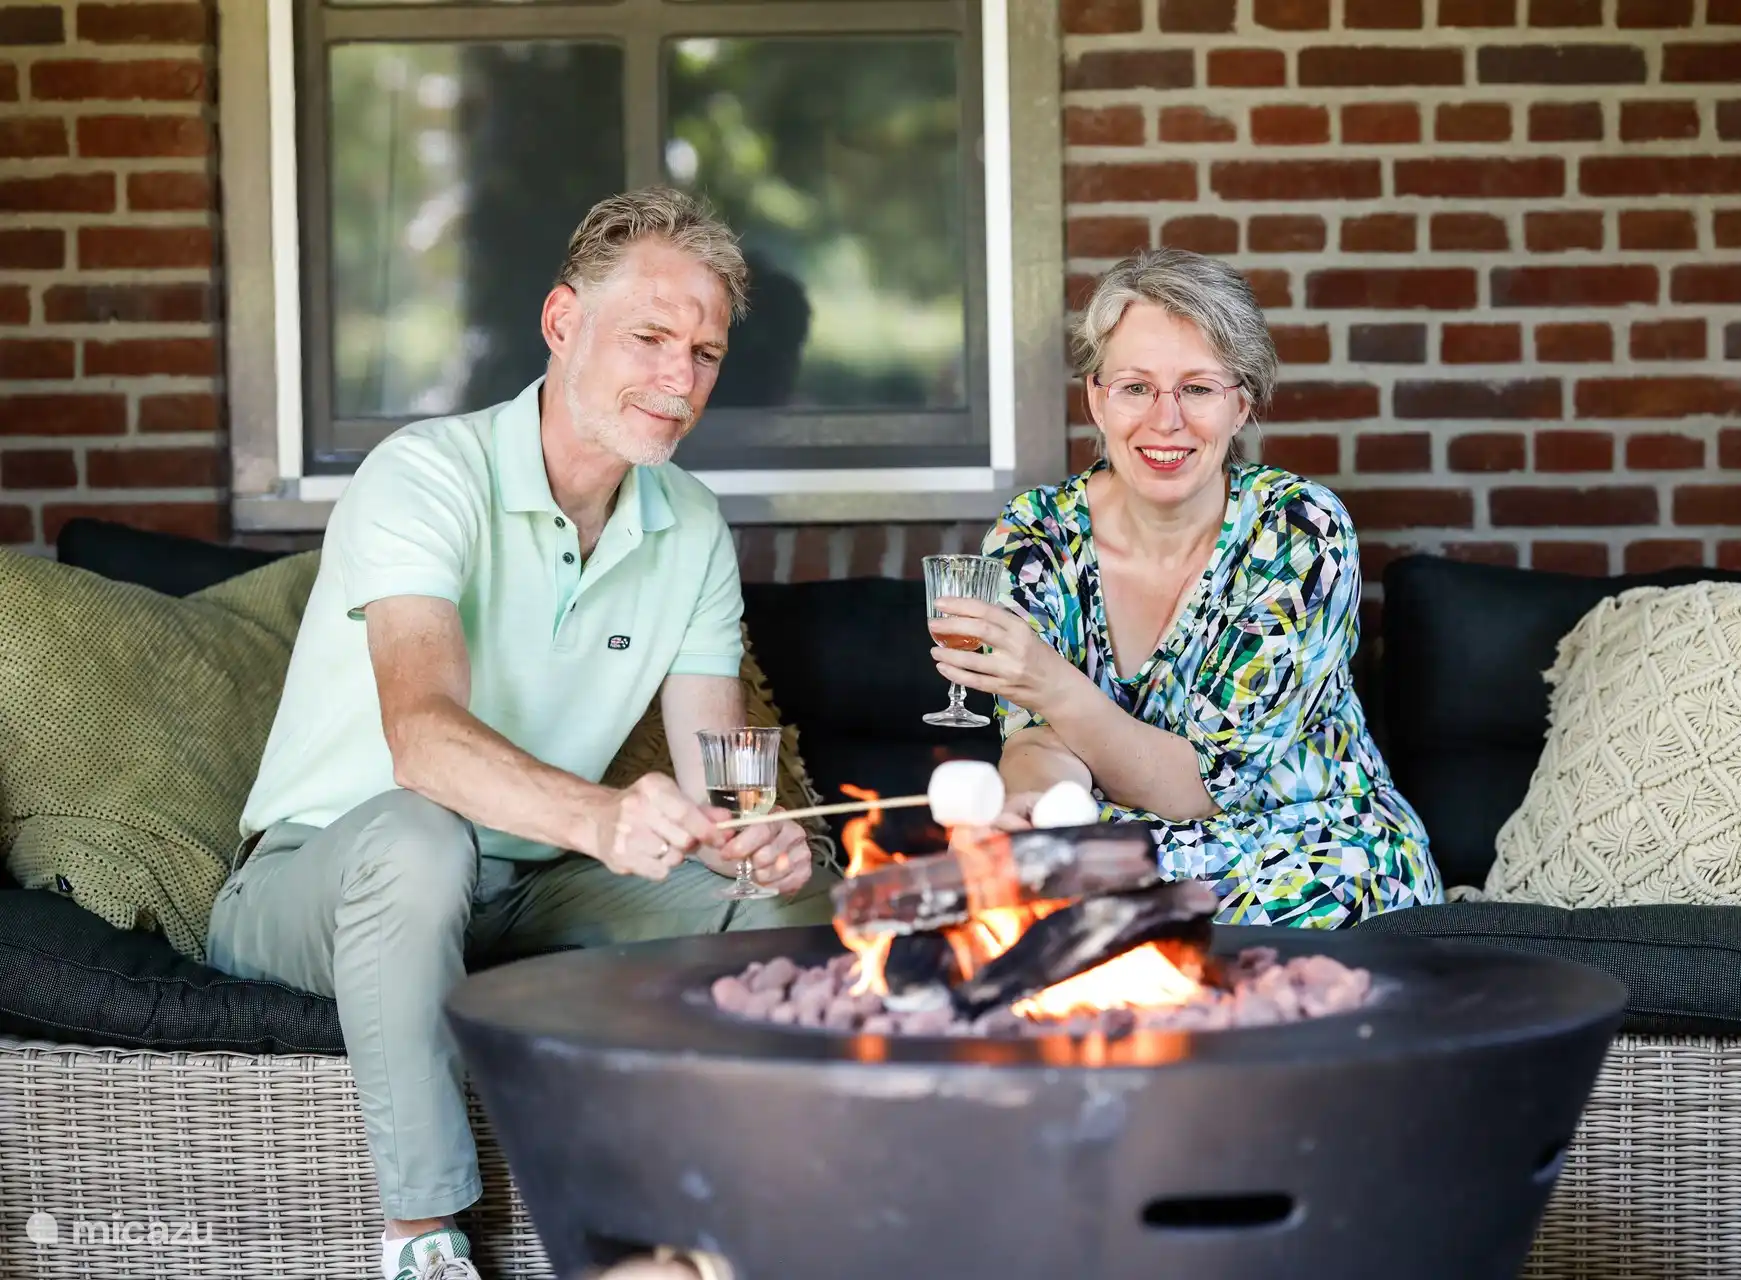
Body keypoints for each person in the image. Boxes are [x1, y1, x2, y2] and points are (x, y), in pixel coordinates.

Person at [207, 187, 832, 1280]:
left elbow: (718, 773)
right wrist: (600, 815)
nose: (679, 381)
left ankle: (709, 1217)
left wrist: (754, 832)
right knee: (420, 836)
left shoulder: (687, 523)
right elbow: (424, 743)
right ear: (560, 322)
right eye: (649, 337)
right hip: (329, 877)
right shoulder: (426, 473)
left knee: (780, 892)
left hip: (530, 886)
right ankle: (425, 1234)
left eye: (706, 352)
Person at [927, 248, 1442, 928]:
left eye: (1197, 388)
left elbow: (1198, 787)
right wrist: (1037, 816)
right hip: (1121, 863)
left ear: (1241, 405)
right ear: (1096, 400)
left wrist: (1050, 681)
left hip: (1308, 855)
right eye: (1135, 387)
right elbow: (1039, 742)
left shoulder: (1297, 534)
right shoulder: (1035, 538)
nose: (1164, 421)